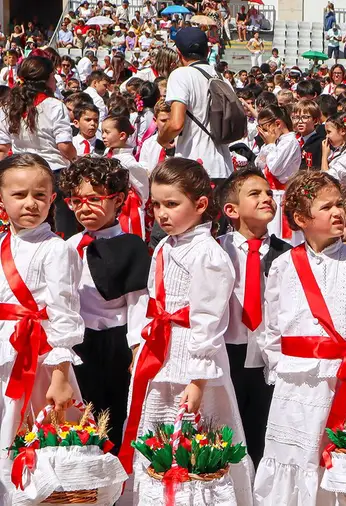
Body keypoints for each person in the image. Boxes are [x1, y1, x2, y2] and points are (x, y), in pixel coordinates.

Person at [116, 158, 254, 503]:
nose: (162, 214)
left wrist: (198, 378)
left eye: (172, 204)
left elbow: (209, 320)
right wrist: (140, 347)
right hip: (160, 350)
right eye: (157, 205)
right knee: (156, 433)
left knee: (198, 435)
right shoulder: (164, 246)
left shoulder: (208, 254)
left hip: (192, 356)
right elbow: (151, 300)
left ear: (201, 205)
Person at [254, 171, 346, 506]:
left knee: (326, 452)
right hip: (294, 378)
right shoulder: (283, 265)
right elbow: (270, 324)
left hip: (337, 378)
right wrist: (278, 364)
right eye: (327, 206)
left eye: (340, 203)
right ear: (301, 219)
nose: (338, 211)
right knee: (291, 453)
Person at [0, 153, 84, 496]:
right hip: (3, 350)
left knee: (29, 433)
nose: (30, 204)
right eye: (19, 195)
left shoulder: (57, 250)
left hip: (38, 358)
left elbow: (65, 313)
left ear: (53, 199)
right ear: (2, 199)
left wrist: (61, 377)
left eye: (39, 195)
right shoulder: (3, 243)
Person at [60, 156, 150, 450]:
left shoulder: (132, 246)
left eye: (95, 199)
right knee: (82, 411)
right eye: (77, 200)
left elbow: (137, 301)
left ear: (118, 199)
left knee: (113, 411)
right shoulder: (69, 246)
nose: (85, 207)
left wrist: (137, 347)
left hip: (115, 343)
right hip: (79, 342)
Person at [216, 168, 291, 467]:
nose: (266, 198)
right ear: (231, 210)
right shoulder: (218, 250)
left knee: (262, 433)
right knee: (227, 434)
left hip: (268, 354)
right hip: (227, 352)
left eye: (270, 194)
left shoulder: (286, 255)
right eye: (255, 193)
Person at [0, 56, 78, 237]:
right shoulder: (55, 106)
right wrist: (76, 159)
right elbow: (64, 145)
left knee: (22, 228)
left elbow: (3, 148)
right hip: (53, 173)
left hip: (19, 172)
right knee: (61, 229)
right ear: (48, 79)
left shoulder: (7, 106)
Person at [159, 27, 234, 183]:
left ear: (179, 53)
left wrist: (162, 139)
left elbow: (176, 123)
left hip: (193, 165)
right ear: (207, 51)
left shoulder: (181, 74)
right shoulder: (221, 78)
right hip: (224, 167)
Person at [257, 104, 302, 242]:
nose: (262, 134)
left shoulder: (291, 142)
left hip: (282, 195)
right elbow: (259, 164)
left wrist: (270, 145)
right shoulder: (276, 142)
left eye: (264, 129)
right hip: (271, 194)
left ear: (277, 123)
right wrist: (269, 145)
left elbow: (276, 168)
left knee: (282, 238)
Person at [102, 115, 150, 240]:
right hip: (111, 202)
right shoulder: (108, 154)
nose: (103, 136)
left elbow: (142, 186)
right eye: (102, 132)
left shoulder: (128, 162)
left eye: (107, 132)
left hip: (126, 206)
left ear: (122, 135)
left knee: (126, 234)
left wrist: (139, 202)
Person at [322, 112, 346, 184]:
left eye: (329, 132)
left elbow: (327, 181)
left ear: (343, 131)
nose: (327, 136)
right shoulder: (339, 150)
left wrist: (324, 156)